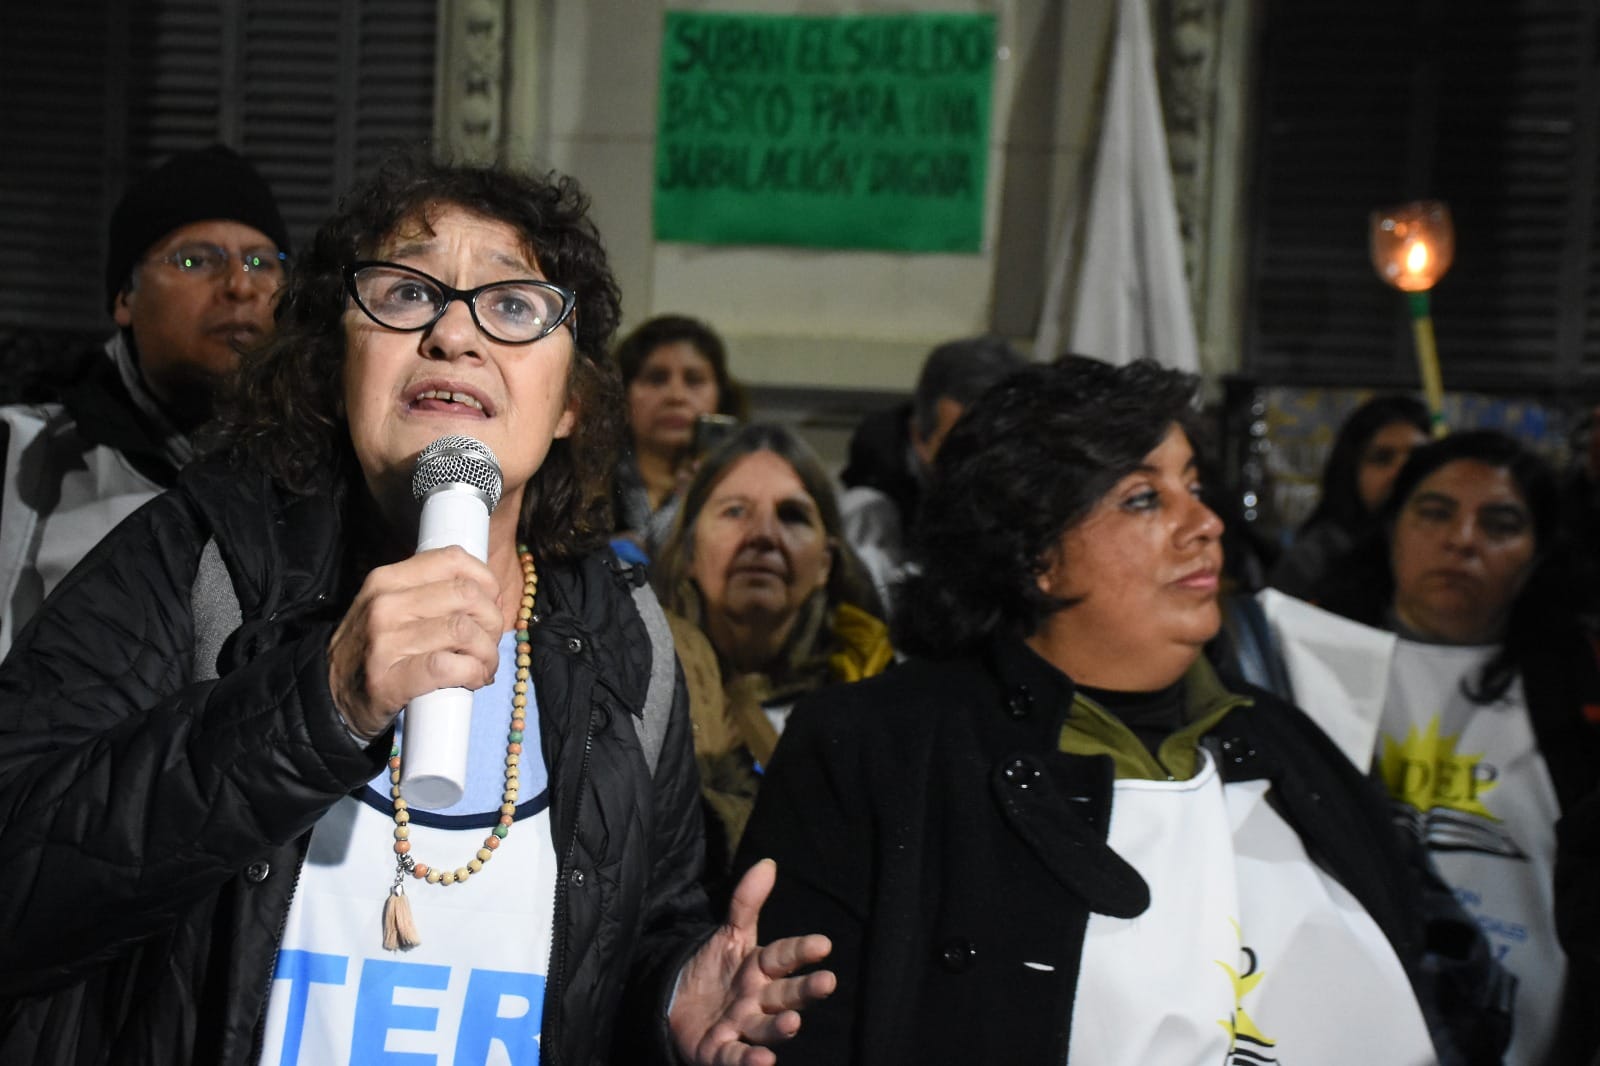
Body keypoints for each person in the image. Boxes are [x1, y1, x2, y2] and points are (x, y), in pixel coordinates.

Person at [0, 154, 832, 1065]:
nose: (454, 334)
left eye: (513, 305)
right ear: (336, 363)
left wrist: (671, 999)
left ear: (571, 402)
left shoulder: (628, 643)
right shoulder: (198, 562)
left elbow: (631, 936)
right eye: (406, 294)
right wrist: (315, 705)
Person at [736, 358, 1507, 1065]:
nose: (1204, 524)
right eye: (1144, 498)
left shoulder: (1290, 743)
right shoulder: (877, 751)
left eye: (1194, 486)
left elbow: (1449, 976)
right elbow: (794, 1032)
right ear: (1034, 552)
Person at [1312, 429, 1600, 1066]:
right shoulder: (1302, 662)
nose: (1463, 540)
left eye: (1500, 524)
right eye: (1435, 513)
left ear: (1537, 553)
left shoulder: (1579, 688)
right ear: (1392, 529)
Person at [0, 143, 290, 655]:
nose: (239, 285)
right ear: (125, 297)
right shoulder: (21, 458)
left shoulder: (313, 473)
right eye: (195, 260)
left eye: (261, 262)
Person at [652, 423, 891, 887]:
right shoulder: (634, 685)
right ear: (689, 552)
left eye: (792, 516)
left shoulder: (879, 701)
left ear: (826, 563)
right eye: (735, 511)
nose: (763, 536)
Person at [837, 334, 1026, 603]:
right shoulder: (868, 519)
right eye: (961, 444)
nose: (979, 462)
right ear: (919, 436)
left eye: (998, 443)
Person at [1267, 392, 1430, 600]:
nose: (1401, 472)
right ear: (1351, 471)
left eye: (1417, 458)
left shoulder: (1452, 547)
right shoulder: (1313, 561)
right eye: (1382, 458)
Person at [611, 313, 746, 558]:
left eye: (694, 381)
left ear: (721, 395)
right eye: (656, 379)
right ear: (623, 393)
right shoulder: (584, 484)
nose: (676, 396)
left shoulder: (743, 486)